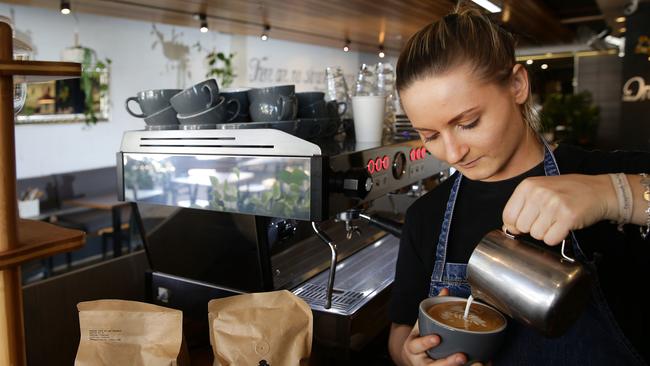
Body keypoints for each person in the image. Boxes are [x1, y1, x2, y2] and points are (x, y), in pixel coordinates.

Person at [387, 5, 650, 366]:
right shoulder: (426, 217)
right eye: (430, 135)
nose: (452, 152)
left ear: (517, 85)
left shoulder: (601, 173)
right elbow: (401, 330)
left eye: (468, 122)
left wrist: (613, 194)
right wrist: (408, 354)